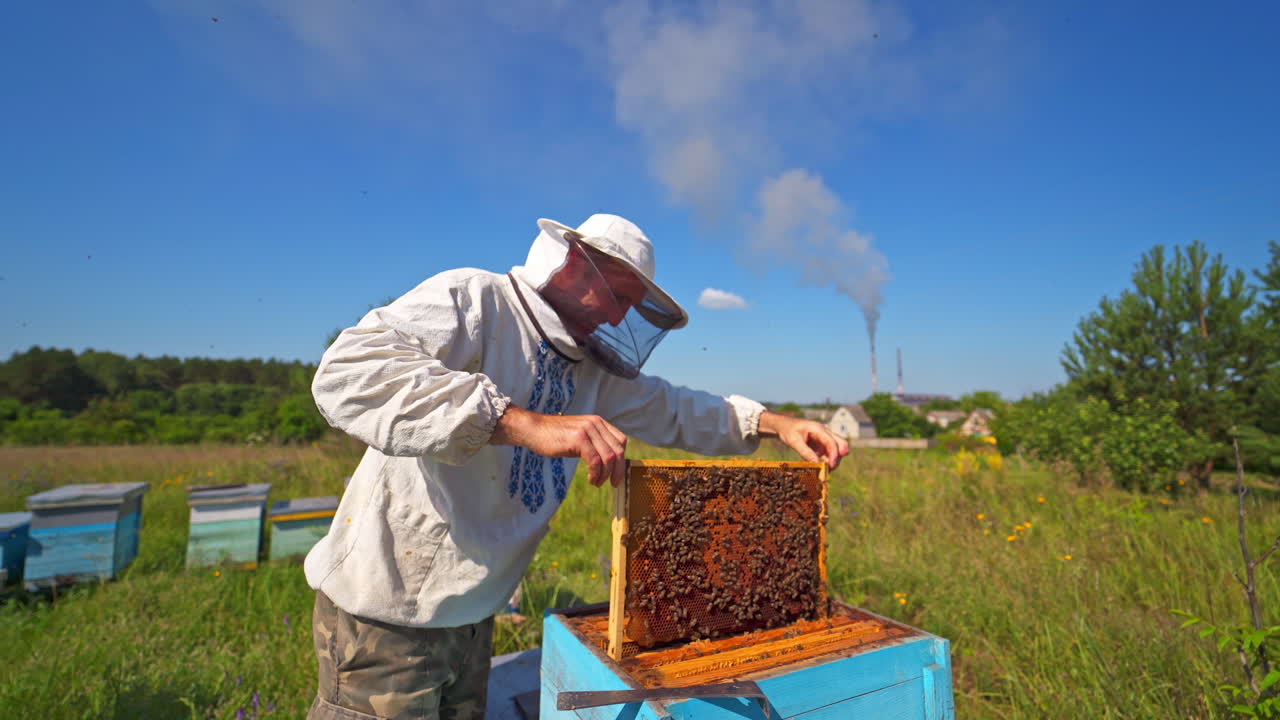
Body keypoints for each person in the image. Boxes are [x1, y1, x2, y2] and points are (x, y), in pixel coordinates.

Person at [305, 214, 849, 720]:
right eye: (618, 296)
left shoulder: (593, 371)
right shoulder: (475, 299)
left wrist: (774, 424)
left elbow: (678, 409)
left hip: (474, 613)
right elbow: (350, 372)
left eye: (630, 306)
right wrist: (527, 424)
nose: (617, 316)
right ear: (571, 264)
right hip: (389, 611)